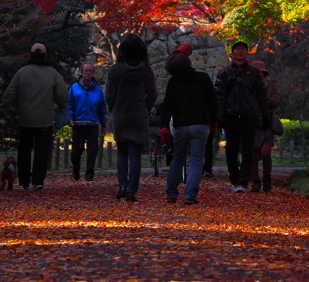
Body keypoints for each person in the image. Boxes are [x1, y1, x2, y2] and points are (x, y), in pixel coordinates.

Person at [0, 42, 68, 191]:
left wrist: (1, 110)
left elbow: (10, 94)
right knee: (42, 151)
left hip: (25, 119)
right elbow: (62, 94)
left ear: (30, 55)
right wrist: (61, 106)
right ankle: (38, 180)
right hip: (45, 119)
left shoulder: (22, 73)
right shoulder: (52, 73)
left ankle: (24, 181)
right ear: (45, 56)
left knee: (24, 151)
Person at [160, 51, 218, 206]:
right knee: (197, 160)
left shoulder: (173, 82)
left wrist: (164, 125)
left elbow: (167, 106)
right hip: (200, 123)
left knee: (178, 158)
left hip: (181, 125)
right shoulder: (203, 78)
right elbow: (213, 101)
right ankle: (190, 195)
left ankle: (172, 193)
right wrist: (214, 121)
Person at [105, 33, 157, 201]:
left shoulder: (115, 70)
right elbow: (153, 94)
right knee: (135, 156)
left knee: (122, 153)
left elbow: (109, 95)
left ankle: (123, 185)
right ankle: (132, 190)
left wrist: (114, 109)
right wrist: (145, 107)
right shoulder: (146, 70)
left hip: (121, 115)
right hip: (139, 116)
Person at [214, 41, 268, 192]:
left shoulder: (254, 73)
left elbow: (261, 96)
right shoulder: (225, 72)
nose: (240, 52)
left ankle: (244, 180)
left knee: (247, 149)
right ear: (232, 53)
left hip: (248, 115)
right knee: (231, 149)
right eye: (237, 49)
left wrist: (265, 115)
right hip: (230, 115)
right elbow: (219, 95)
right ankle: (234, 178)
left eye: (243, 49)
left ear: (247, 52)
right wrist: (219, 116)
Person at [68, 62, 107, 181]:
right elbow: (70, 104)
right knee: (76, 152)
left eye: (90, 71)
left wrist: (103, 124)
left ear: (93, 73)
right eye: (86, 71)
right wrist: (70, 118)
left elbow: (102, 108)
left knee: (92, 151)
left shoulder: (98, 91)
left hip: (92, 124)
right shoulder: (74, 88)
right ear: (81, 72)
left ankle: (89, 175)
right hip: (78, 123)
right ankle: (76, 170)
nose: (88, 73)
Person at [249, 60, 280, 192]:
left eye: (261, 73)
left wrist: (263, 96)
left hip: (266, 124)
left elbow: (275, 102)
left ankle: (267, 177)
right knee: (253, 155)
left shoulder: (271, 85)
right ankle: (255, 180)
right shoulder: (247, 86)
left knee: (265, 152)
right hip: (251, 124)